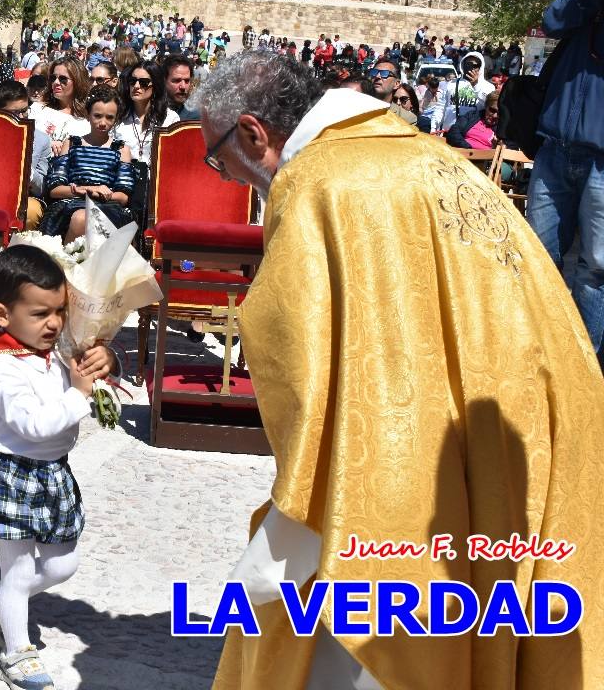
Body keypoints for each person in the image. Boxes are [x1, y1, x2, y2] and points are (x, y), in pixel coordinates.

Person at [192, 51, 604, 689]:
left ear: (253, 133)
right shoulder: (439, 160)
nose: (231, 177)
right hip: (526, 429)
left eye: (220, 160)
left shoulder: (316, 186)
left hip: (404, 466)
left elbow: (293, 359)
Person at [0, 244, 118, 690]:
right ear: (2, 314)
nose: (53, 323)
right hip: (12, 474)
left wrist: (106, 359)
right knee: (16, 573)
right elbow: (34, 425)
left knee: (62, 565)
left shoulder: (51, 347)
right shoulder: (2, 372)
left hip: (53, 474)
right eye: (39, 314)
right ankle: (15, 653)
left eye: (59, 311)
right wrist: (80, 393)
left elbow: (93, 358)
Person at [526, 0, 604, 363]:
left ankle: (583, 372)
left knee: (596, 271)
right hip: (556, 146)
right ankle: (539, 359)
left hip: (603, 161)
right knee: (538, 257)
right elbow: (553, 20)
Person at [40, 87, 134, 242]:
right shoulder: (71, 144)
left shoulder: (121, 149)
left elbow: (123, 196)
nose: (103, 123)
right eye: (97, 116)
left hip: (108, 205)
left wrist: (98, 194)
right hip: (70, 203)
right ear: (88, 115)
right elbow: (55, 190)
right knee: (81, 217)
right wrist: (88, 190)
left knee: (83, 217)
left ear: (116, 119)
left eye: (109, 118)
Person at [0, 81, 50, 230]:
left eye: (24, 110)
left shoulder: (41, 140)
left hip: (24, 197)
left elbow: (42, 188)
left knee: (31, 211)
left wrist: (27, 170)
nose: (20, 117)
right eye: (14, 113)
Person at [114, 60, 178, 164]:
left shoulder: (170, 118)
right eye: (132, 81)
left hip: (156, 178)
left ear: (155, 86)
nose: (136, 86)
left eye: (144, 82)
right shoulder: (119, 115)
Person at [30, 56, 90, 146]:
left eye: (63, 79)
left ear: (78, 81)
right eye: (53, 78)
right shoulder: (36, 110)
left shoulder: (89, 119)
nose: (56, 82)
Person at [431, 52, 493, 133]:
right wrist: (433, 127)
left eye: (475, 65)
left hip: (472, 135)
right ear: (463, 65)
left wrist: (475, 85)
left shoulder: (488, 87)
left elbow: (488, 107)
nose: (472, 68)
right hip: (449, 132)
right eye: (468, 64)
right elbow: (441, 107)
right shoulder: (451, 84)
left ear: (481, 67)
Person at [366, 58, 416, 125]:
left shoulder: (406, 119)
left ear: (396, 84)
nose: (377, 76)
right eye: (374, 72)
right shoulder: (356, 107)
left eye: (384, 73)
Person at [163, 53, 198, 121]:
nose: (183, 87)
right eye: (177, 80)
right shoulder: (151, 112)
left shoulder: (195, 117)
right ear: (164, 81)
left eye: (187, 81)